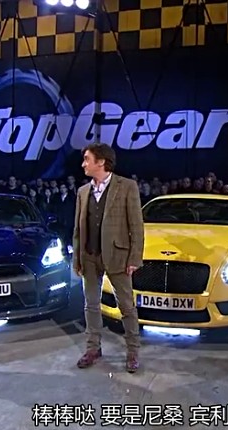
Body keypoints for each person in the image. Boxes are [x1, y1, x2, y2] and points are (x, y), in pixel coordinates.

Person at [72, 142, 145, 373]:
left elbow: (136, 226)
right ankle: (93, 348)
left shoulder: (127, 186)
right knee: (91, 305)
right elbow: (78, 229)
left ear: (101, 162)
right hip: (89, 256)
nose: (83, 164)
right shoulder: (83, 192)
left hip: (118, 256)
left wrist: (134, 258)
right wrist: (77, 258)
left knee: (126, 306)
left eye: (87, 159)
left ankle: (132, 352)